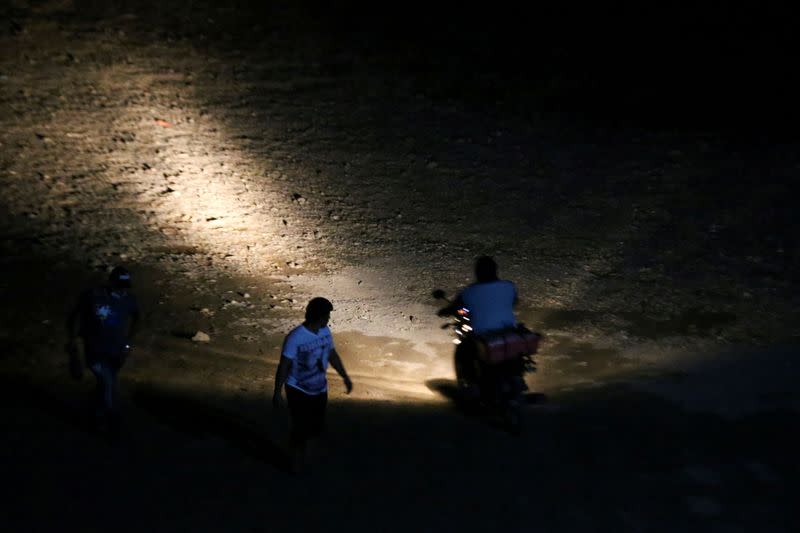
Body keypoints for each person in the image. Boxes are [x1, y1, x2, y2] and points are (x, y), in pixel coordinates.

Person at [272, 297, 352, 472]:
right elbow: (284, 365)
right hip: (297, 389)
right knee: (300, 427)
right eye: (327, 316)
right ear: (319, 317)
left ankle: (305, 461)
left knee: (315, 427)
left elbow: (332, 354)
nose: (329, 319)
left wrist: (344, 376)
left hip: (319, 389)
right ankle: (294, 463)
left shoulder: (325, 332)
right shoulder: (295, 337)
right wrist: (277, 392)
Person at [67, 266, 140, 438]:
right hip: (95, 348)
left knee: (106, 382)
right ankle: (110, 419)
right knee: (107, 382)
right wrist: (73, 340)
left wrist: (128, 342)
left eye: (125, 285)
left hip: (116, 350)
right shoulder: (93, 295)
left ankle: (95, 413)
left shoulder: (129, 299)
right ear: (111, 281)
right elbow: (75, 316)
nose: (122, 289)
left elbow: (137, 318)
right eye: (119, 284)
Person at [437, 256, 520, 391]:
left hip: (482, 336)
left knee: (463, 348)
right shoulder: (509, 286)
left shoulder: (469, 291)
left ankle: (470, 384)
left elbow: (455, 307)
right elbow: (515, 302)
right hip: (508, 333)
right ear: (495, 270)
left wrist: (445, 311)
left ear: (477, 272)